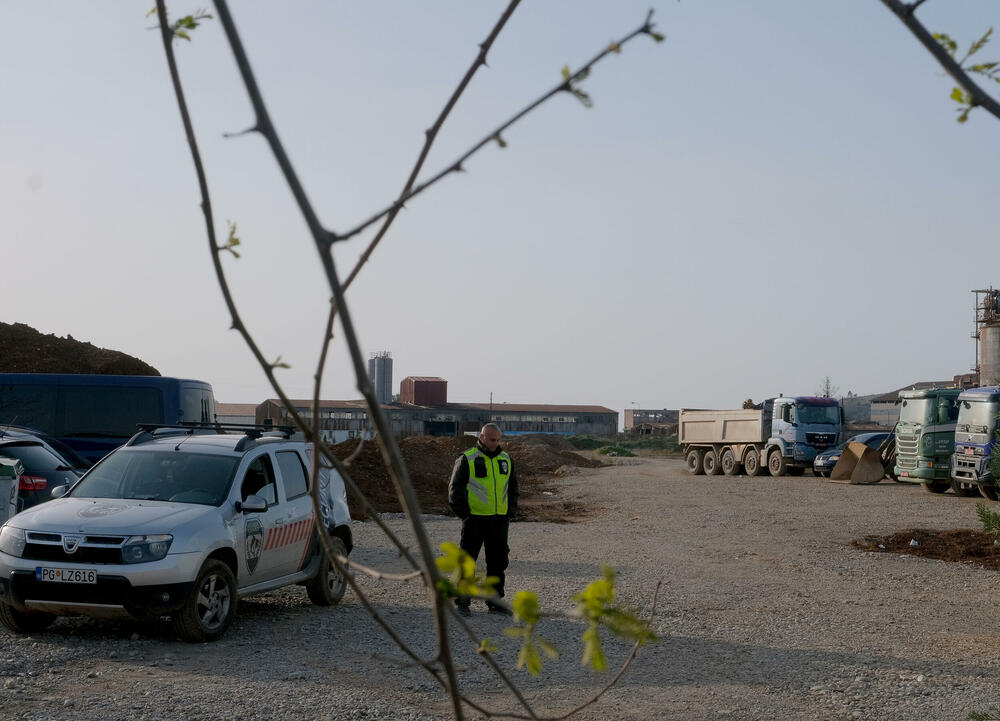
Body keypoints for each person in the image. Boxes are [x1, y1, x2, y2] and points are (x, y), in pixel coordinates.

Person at [448, 423, 518, 617]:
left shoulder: (506, 459)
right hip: (475, 520)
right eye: (491, 439)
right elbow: (455, 490)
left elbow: (513, 488)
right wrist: (466, 515)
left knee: (498, 562)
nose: (495, 443)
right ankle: (462, 601)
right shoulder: (467, 458)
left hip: (499, 520)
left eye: (498, 440)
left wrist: (509, 512)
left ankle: (495, 602)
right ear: (482, 437)